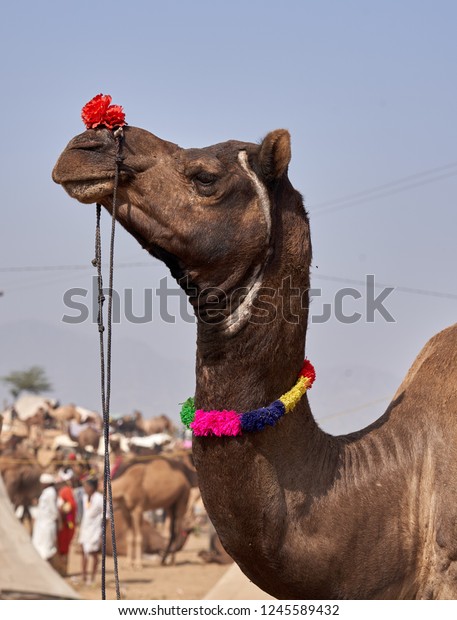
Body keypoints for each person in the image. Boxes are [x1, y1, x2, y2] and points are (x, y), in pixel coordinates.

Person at [78, 477, 103, 586]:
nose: (85, 488)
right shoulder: (84, 498)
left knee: (93, 553)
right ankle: (84, 576)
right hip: (85, 528)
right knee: (83, 552)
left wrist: (102, 533)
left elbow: (106, 516)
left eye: (87, 486)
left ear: (92, 488)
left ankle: (92, 577)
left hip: (95, 530)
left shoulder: (100, 499)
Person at [31, 472, 59, 565]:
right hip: (42, 523)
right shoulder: (47, 492)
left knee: (46, 547)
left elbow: (53, 509)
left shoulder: (50, 492)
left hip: (47, 524)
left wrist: (56, 519)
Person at [56, 469, 77, 576]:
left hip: (66, 523)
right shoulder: (65, 490)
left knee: (64, 547)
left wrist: (62, 511)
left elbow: (70, 506)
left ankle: (63, 570)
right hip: (66, 522)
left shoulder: (66, 491)